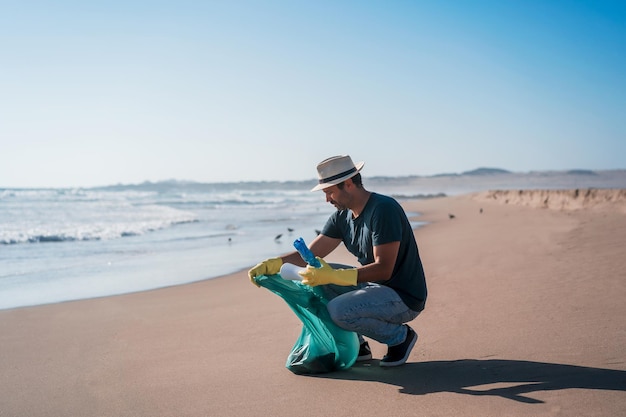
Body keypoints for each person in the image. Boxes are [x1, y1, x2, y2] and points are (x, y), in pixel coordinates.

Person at [248, 155, 427, 367]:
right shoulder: (342, 217)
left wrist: (335, 276)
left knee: (339, 310)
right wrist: (272, 264)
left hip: (403, 297)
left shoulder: (383, 209)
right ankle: (358, 344)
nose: (327, 200)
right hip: (374, 289)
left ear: (348, 184)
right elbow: (309, 257)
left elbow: (384, 269)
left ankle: (399, 337)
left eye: (329, 192)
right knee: (317, 278)